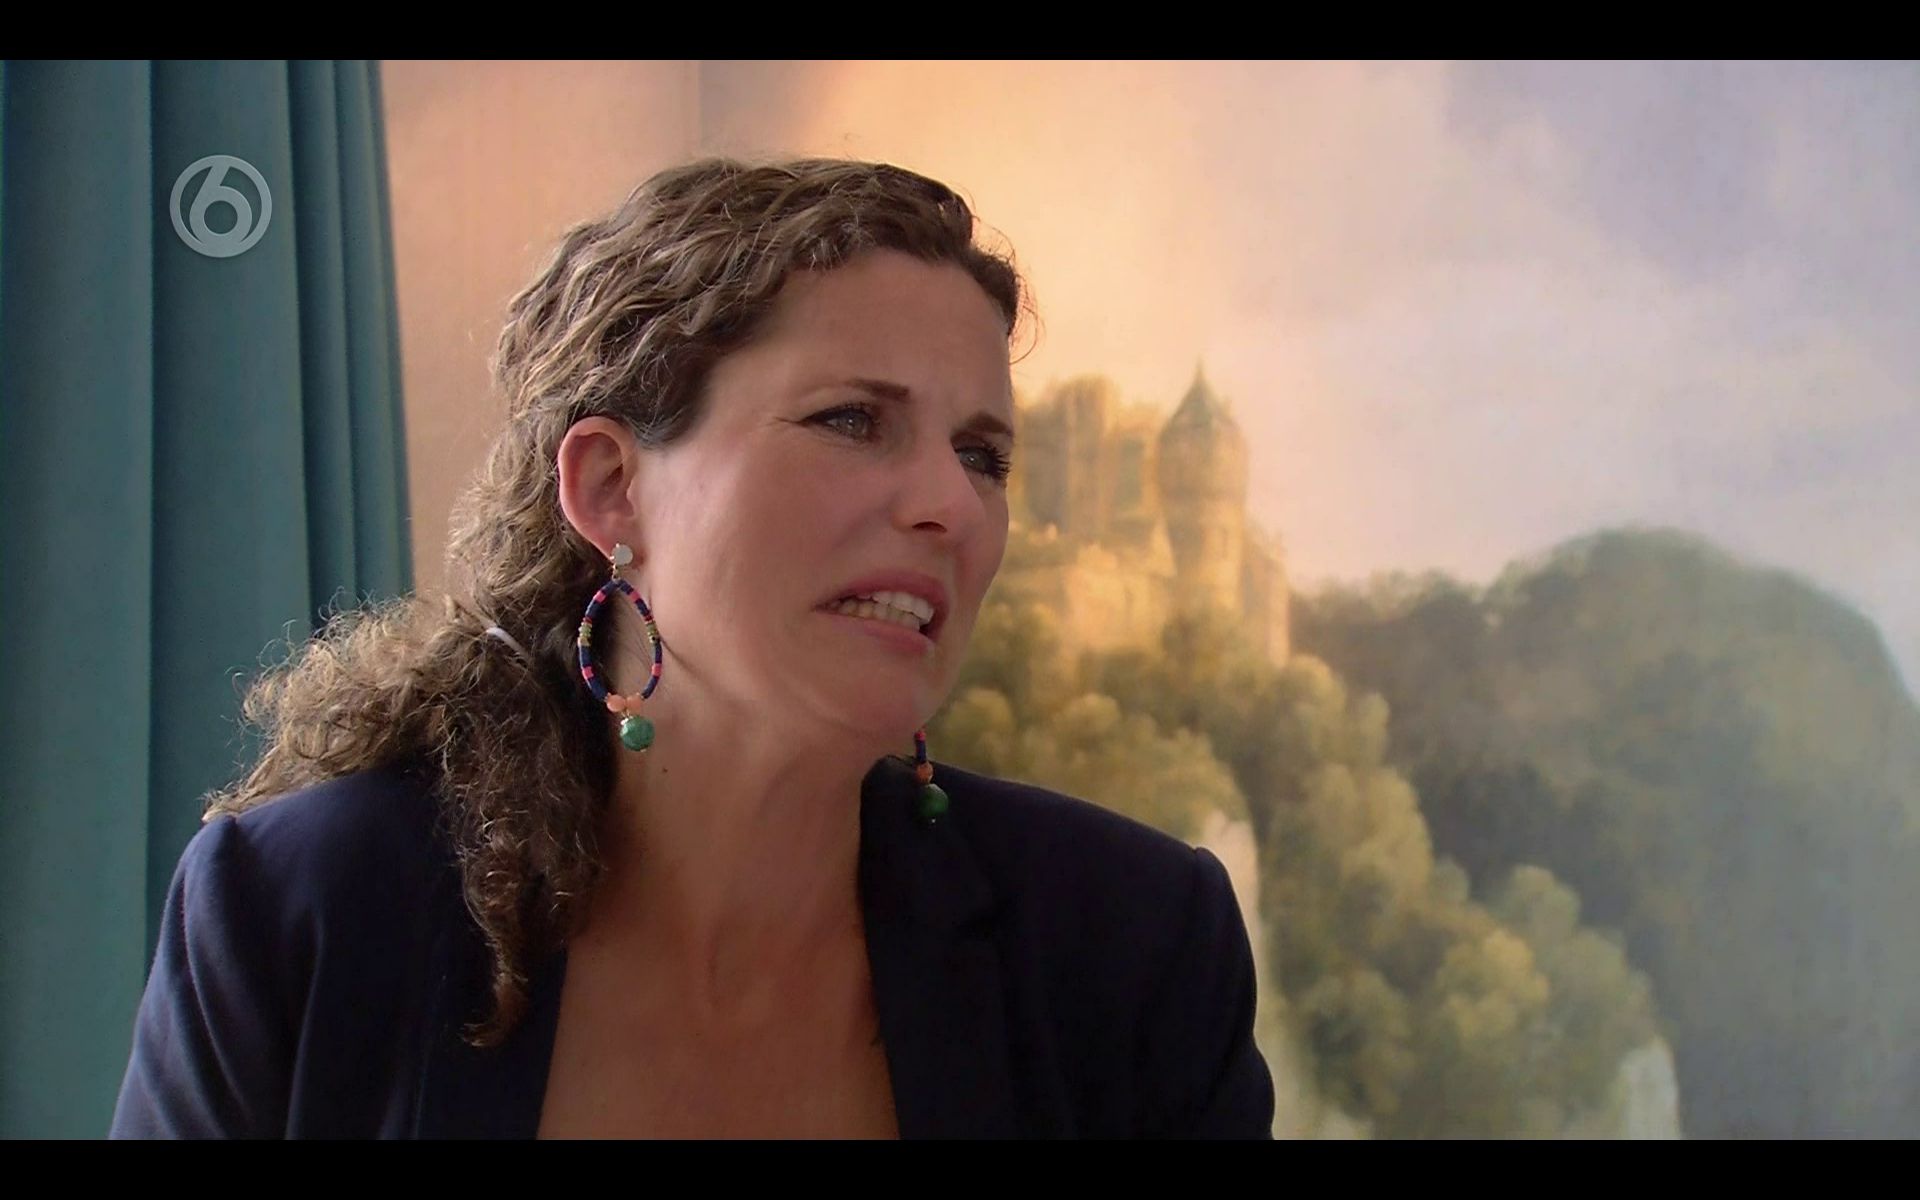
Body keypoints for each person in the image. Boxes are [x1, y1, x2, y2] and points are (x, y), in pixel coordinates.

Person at [108, 157, 1276, 1139]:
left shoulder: (1130, 944)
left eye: (982, 456)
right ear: (612, 487)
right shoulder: (304, 910)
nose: (950, 506)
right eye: (853, 420)